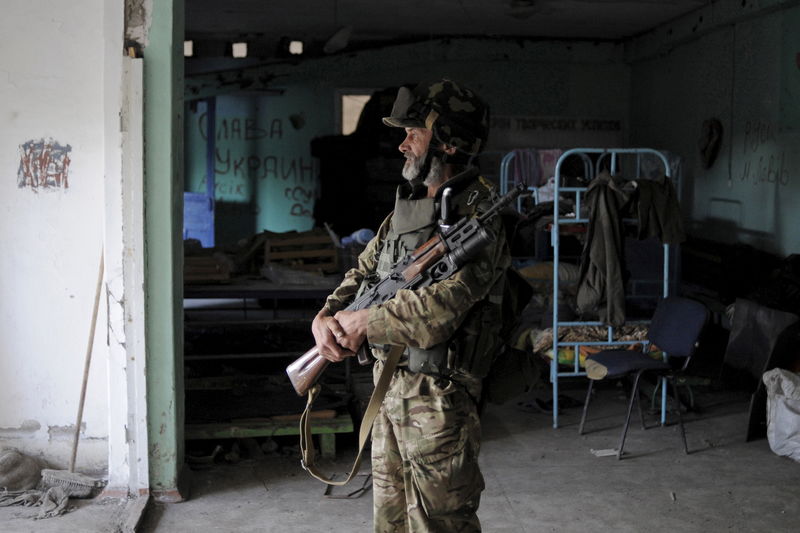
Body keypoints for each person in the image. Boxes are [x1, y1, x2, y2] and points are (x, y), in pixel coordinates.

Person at [311, 79, 510, 533]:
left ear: (449, 143)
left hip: (438, 401)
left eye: (413, 133)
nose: (402, 144)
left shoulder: (480, 218)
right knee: (391, 522)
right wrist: (327, 315)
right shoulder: (410, 208)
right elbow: (364, 270)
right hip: (388, 388)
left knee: (440, 523)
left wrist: (368, 321)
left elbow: (443, 308)